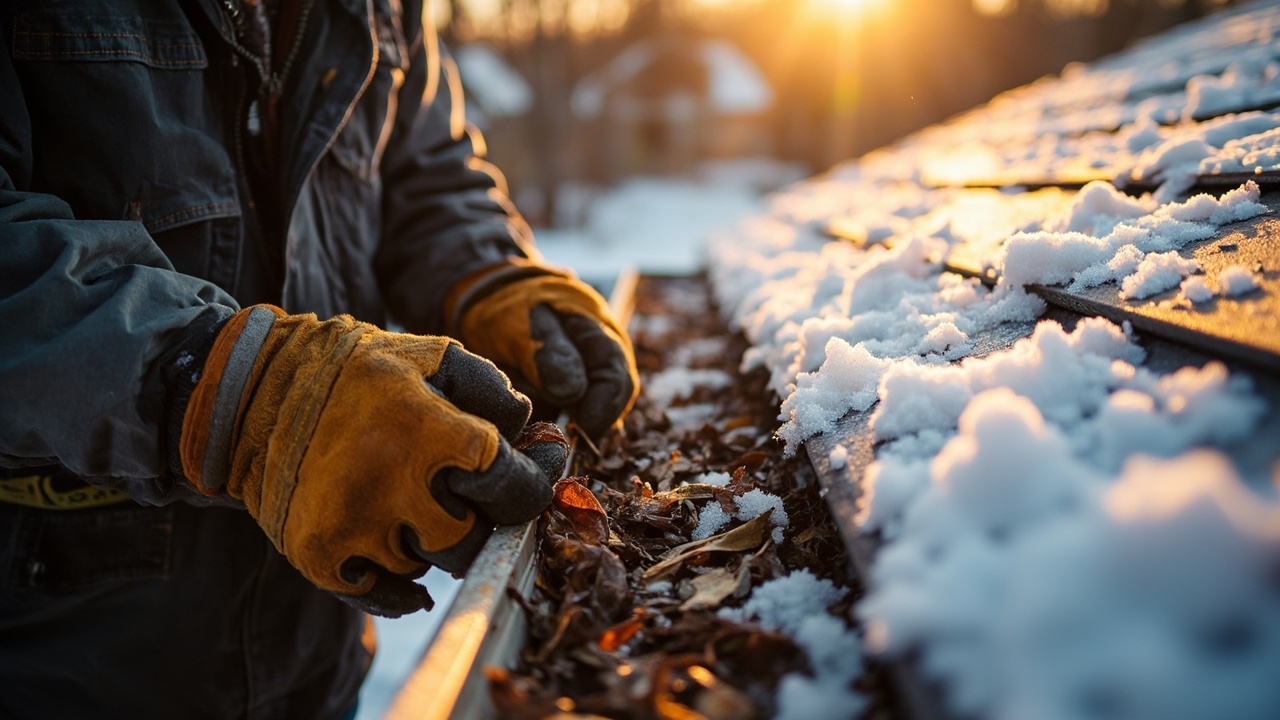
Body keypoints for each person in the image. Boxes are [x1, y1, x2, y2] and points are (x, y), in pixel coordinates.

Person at [0, 0, 639, 717]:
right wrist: (245, 398)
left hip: (315, 648)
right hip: (69, 644)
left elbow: (428, 175)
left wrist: (483, 276)